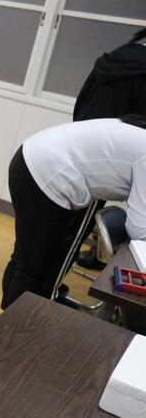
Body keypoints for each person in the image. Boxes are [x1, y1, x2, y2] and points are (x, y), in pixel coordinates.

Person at [1, 115, 146, 310]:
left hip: (29, 161)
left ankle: (5, 321)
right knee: (41, 270)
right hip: (49, 176)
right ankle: (18, 325)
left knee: (25, 258)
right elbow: (138, 229)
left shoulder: (139, 134)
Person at [73, 28, 146, 270]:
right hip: (100, 160)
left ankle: (93, 254)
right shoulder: (141, 71)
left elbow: (82, 103)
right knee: (71, 230)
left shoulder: (118, 56)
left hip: (80, 144)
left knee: (62, 228)